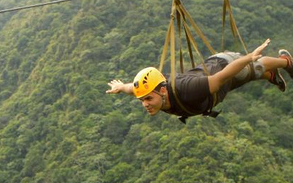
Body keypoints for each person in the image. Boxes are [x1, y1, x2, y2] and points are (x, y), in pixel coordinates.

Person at [106, 40, 293, 122]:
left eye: (148, 99)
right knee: (250, 75)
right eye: (143, 100)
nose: (145, 104)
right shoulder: (155, 89)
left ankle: (286, 62)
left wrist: (247, 58)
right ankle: (272, 75)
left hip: (223, 66)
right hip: (214, 92)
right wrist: (120, 87)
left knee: (253, 69)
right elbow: (133, 89)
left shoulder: (187, 89)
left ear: (162, 91)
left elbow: (221, 77)